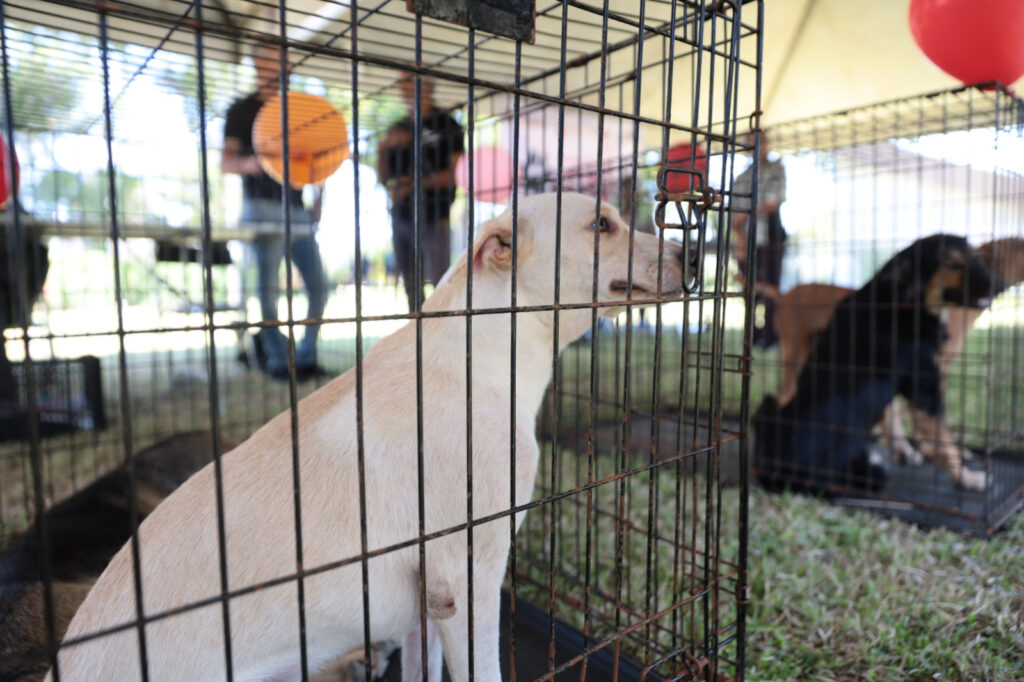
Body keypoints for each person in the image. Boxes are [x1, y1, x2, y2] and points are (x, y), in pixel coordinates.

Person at [222, 44, 329, 382]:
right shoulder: (241, 110)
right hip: (261, 208)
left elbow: (317, 161)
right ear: (257, 63)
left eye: (284, 61)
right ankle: (278, 359)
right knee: (265, 290)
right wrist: (251, 163)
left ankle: (307, 355)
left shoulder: (298, 110)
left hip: (297, 210)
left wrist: (319, 201)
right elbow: (226, 163)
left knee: (319, 286)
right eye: (270, 60)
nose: (279, 67)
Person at [377, 71, 464, 312]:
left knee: (441, 285)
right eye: (401, 82)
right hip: (402, 217)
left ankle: (445, 338)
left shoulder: (448, 124)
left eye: (410, 80)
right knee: (411, 288)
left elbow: (455, 175)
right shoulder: (398, 127)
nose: (404, 87)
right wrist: (383, 150)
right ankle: (418, 340)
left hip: (435, 216)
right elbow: (384, 179)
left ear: (427, 84)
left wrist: (412, 184)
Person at [731, 132, 787, 348]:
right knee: (749, 291)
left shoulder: (776, 169)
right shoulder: (742, 178)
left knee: (772, 290)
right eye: (752, 144)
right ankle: (751, 335)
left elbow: (774, 202)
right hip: (748, 241)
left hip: (771, 240)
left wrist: (748, 212)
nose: (757, 148)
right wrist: (740, 238)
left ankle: (771, 336)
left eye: (760, 143)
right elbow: (735, 217)